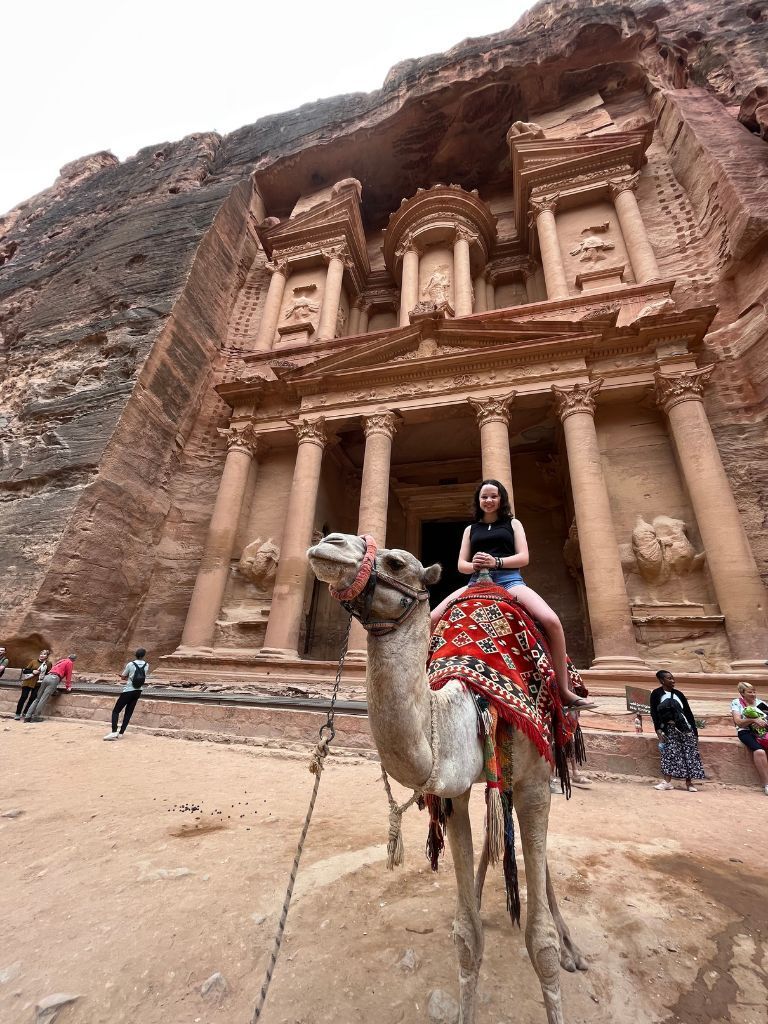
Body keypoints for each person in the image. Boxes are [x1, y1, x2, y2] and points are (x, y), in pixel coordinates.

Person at [429, 479, 593, 709]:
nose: (488, 500)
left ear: (501, 499)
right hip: (476, 581)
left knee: (551, 621)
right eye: (484, 497)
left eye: (493, 496)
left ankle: (564, 691)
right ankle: (422, 681)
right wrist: (475, 564)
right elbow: (461, 565)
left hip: (509, 581)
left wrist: (496, 561)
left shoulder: (513, 524)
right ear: (478, 500)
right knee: (432, 619)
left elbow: (523, 558)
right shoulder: (470, 529)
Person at [649, 670, 705, 792]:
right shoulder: (656, 694)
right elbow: (654, 713)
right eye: (669, 678)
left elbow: (688, 713)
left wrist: (695, 731)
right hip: (668, 728)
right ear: (662, 680)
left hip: (684, 728)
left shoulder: (679, 694)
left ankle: (689, 783)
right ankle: (667, 782)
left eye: (673, 678)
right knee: (669, 754)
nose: (673, 680)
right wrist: (658, 729)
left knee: (688, 753)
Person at [730, 681, 768, 796]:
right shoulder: (737, 703)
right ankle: (766, 784)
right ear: (742, 693)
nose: (753, 694)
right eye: (750, 692)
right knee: (759, 751)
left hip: (763, 731)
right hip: (745, 731)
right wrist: (753, 720)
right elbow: (738, 722)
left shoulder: (761, 703)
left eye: (754, 692)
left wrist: (764, 723)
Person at [103, 648, 149, 740]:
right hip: (138, 691)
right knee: (128, 713)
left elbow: (123, 677)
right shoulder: (146, 665)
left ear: (135, 654)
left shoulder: (131, 664)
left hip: (129, 690)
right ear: (144, 655)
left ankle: (114, 732)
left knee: (116, 711)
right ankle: (121, 733)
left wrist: (124, 677)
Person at [24, 653, 77, 722]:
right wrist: (68, 686)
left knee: (37, 698)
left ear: (68, 656)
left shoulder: (61, 661)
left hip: (47, 677)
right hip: (54, 678)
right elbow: (68, 675)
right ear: (74, 660)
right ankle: (36, 717)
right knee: (43, 699)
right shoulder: (70, 663)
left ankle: (27, 716)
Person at [15, 649, 52, 720]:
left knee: (32, 699)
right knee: (23, 697)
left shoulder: (48, 664)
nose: (42, 655)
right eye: (41, 654)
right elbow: (25, 671)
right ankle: (17, 713)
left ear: (47, 656)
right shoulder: (33, 662)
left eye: (44, 654)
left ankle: (25, 713)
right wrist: (33, 671)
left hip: (38, 683)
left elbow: (48, 673)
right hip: (28, 682)